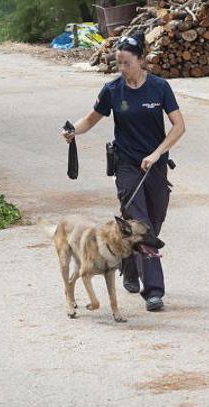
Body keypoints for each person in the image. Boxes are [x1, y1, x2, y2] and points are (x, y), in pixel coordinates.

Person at [62, 34, 185, 312]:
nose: (122, 68)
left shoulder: (159, 88)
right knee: (141, 221)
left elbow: (179, 126)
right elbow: (91, 118)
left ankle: (129, 263)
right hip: (128, 166)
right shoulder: (112, 90)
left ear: (140, 60)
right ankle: (153, 291)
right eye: (118, 63)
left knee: (156, 219)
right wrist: (73, 132)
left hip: (155, 164)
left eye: (127, 63)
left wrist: (156, 153)